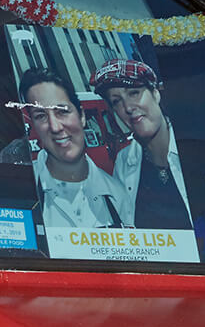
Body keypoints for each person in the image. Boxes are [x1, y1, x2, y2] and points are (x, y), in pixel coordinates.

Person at [89, 53, 205, 258]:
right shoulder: (124, 162)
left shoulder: (204, 154)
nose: (128, 107)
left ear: (155, 93)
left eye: (134, 92)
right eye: (117, 101)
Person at [13, 67, 132, 234]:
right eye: (41, 116)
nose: (55, 127)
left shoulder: (118, 194)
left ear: (82, 116)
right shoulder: (18, 187)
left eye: (62, 112)